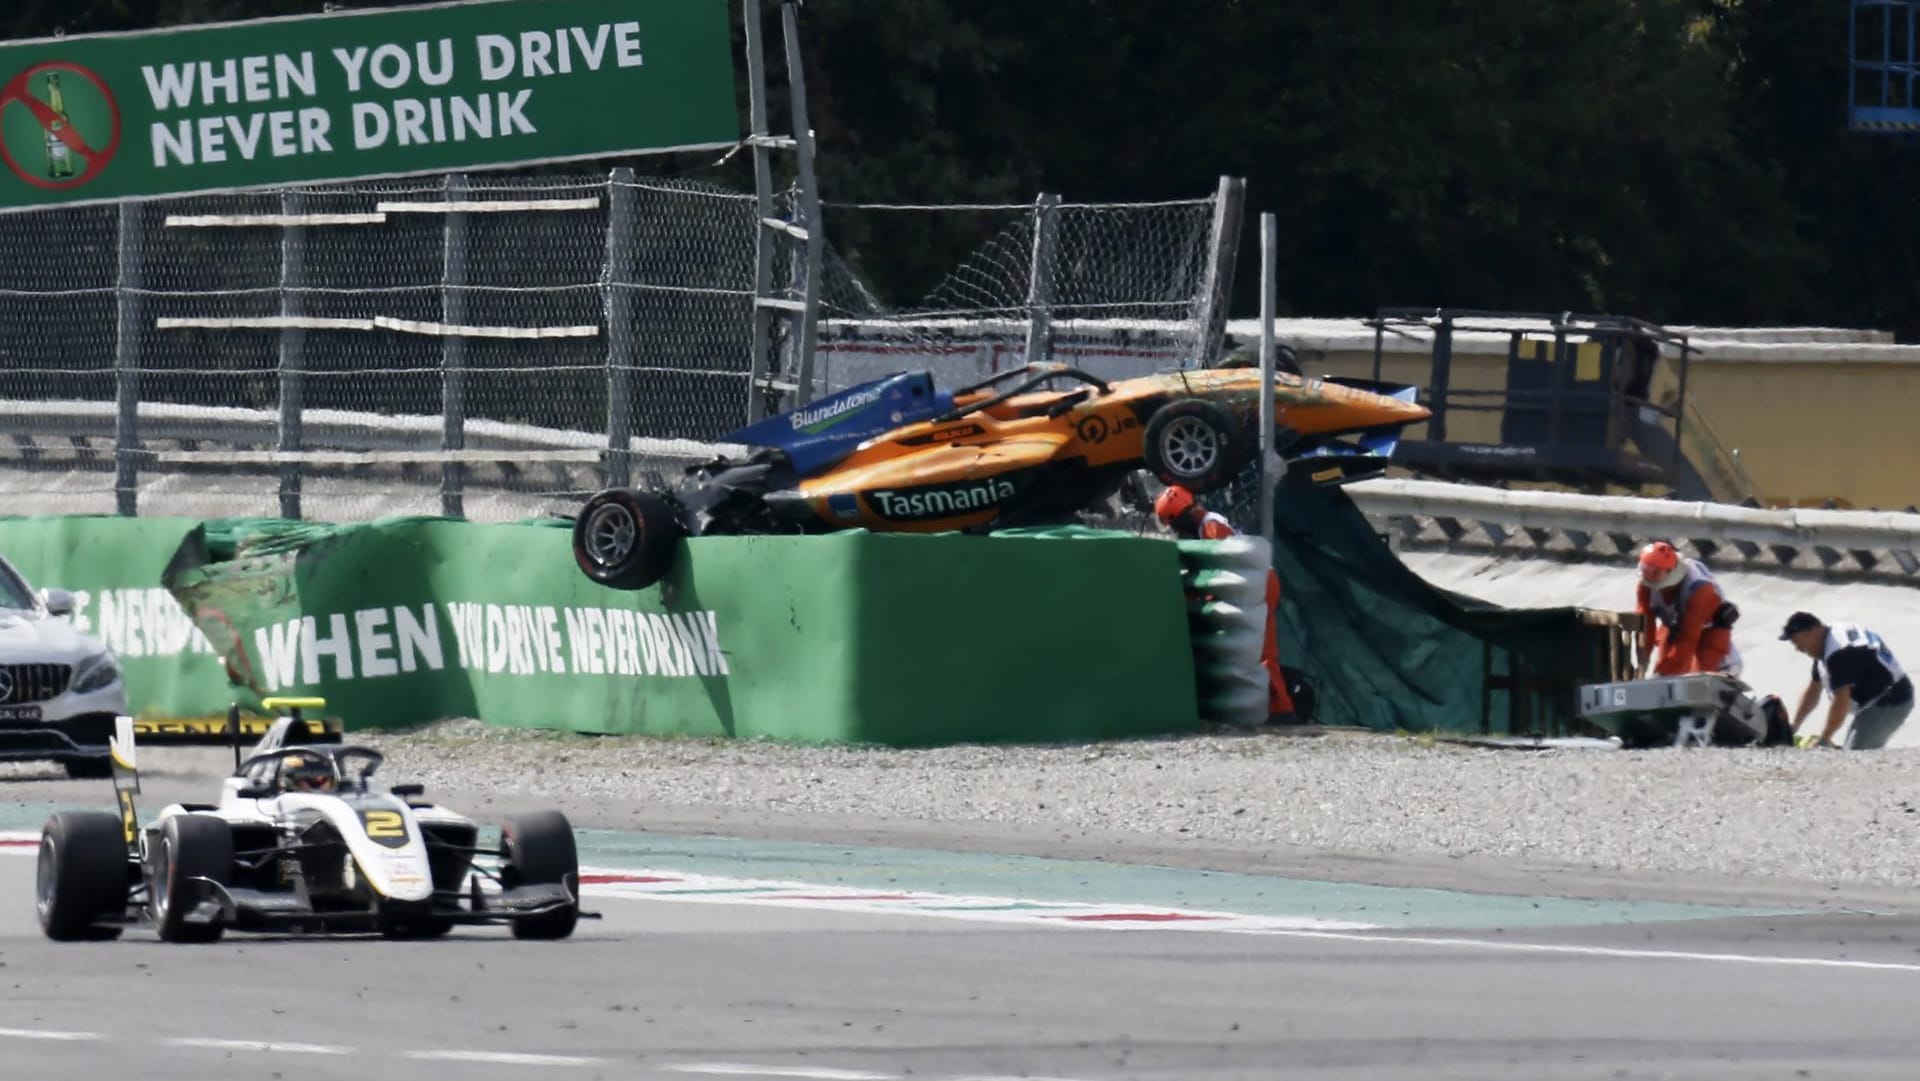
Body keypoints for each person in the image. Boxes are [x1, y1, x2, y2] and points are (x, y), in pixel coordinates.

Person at [1155, 485, 1297, 724]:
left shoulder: (1212, 527)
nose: (1178, 530)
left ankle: (1280, 711)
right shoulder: (1207, 525)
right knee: (1254, 649)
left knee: (1261, 651)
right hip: (1257, 583)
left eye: (1177, 523)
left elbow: (1223, 569)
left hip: (1258, 585)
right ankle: (1274, 708)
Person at [1781, 612, 1914, 750]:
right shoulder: (1826, 642)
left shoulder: (1839, 652)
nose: (1797, 648)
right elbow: (1814, 688)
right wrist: (1795, 725)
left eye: (1797, 641)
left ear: (1813, 631)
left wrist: (1824, 739)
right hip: (1874, 702)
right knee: (1850, 751)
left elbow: (1841, 703)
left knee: (1855, 756)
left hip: (1890, 702)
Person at [1634, 541, 1742, 679]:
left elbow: (1689, 635)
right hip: (1674, 626)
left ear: (1670, 571)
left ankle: (1727, 666)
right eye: (1645, 570)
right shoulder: (1645, 584)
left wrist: (1667, 672)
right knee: (1663, 671)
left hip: (1708, 628)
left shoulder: (1700, 589)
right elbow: (1644, 625)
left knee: (1704, 678)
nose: (1649, 577)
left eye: (1655, 573)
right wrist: (1642, 662)